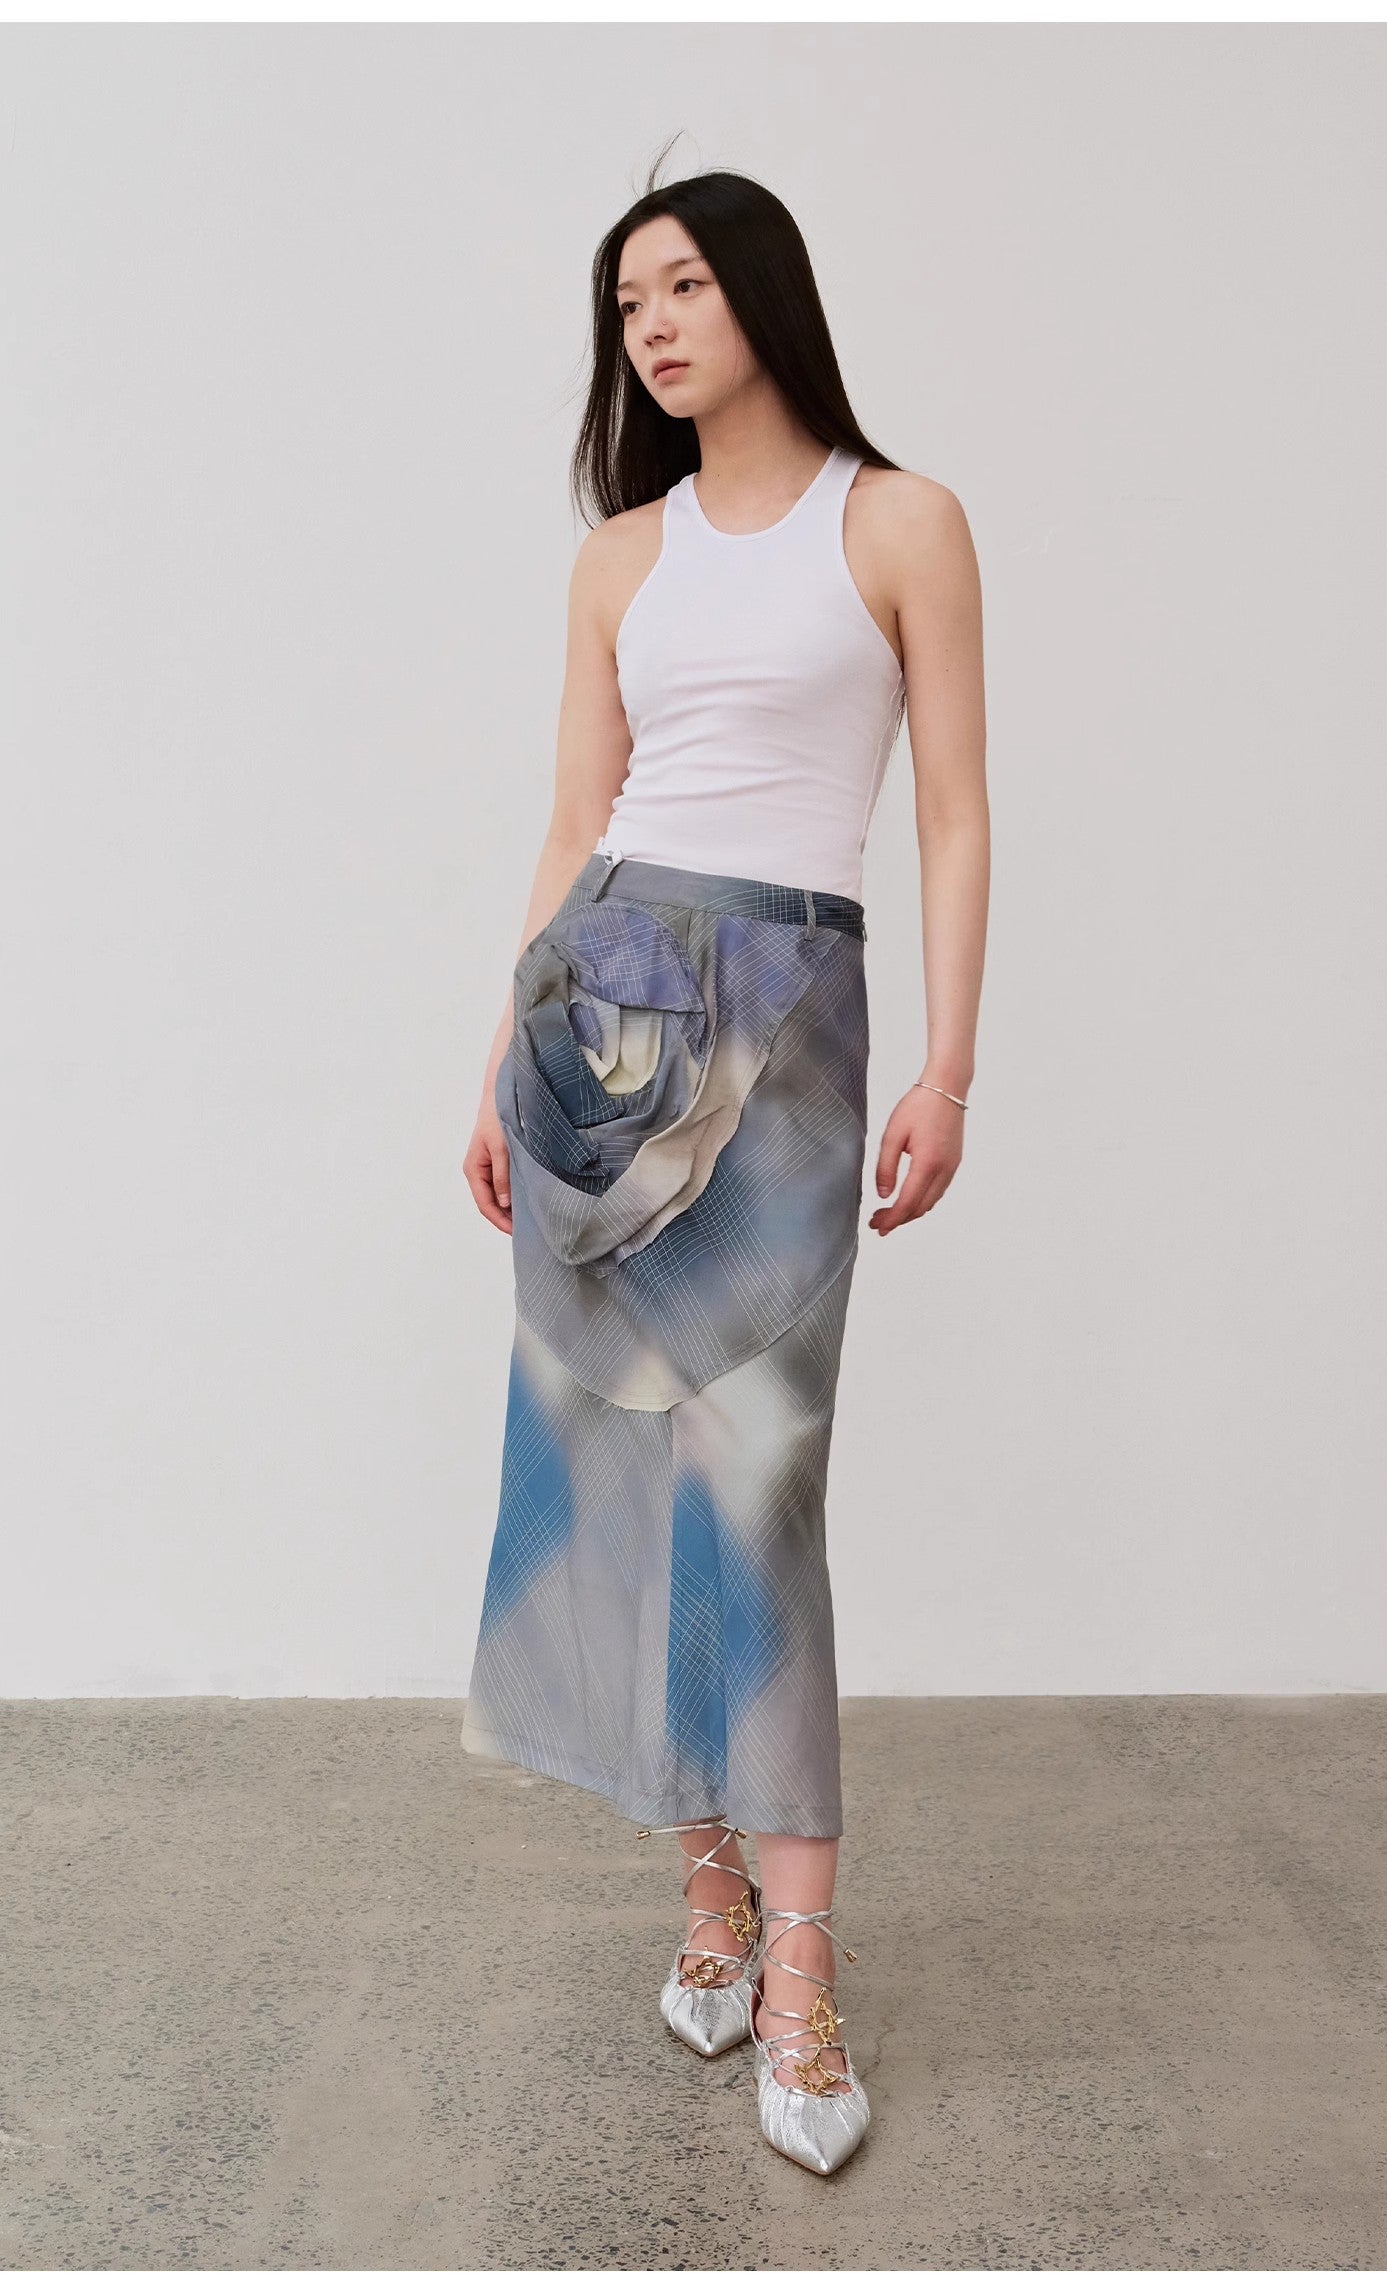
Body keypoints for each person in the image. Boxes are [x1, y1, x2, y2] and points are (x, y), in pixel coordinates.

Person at [459, 157, 988, 2178]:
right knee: (614, 1466)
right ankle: (706, 1890)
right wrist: (495, 1056)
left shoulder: (902, 522)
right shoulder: (622, 557)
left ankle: (804, 1967)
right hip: (600, 1016)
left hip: (794, 1018)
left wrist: (952, 1063)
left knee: (757, 1481)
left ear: (763, 288)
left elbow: (952, 808)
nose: (655, 326)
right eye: (628, 304)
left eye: (682, 284)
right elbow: (574, 816)